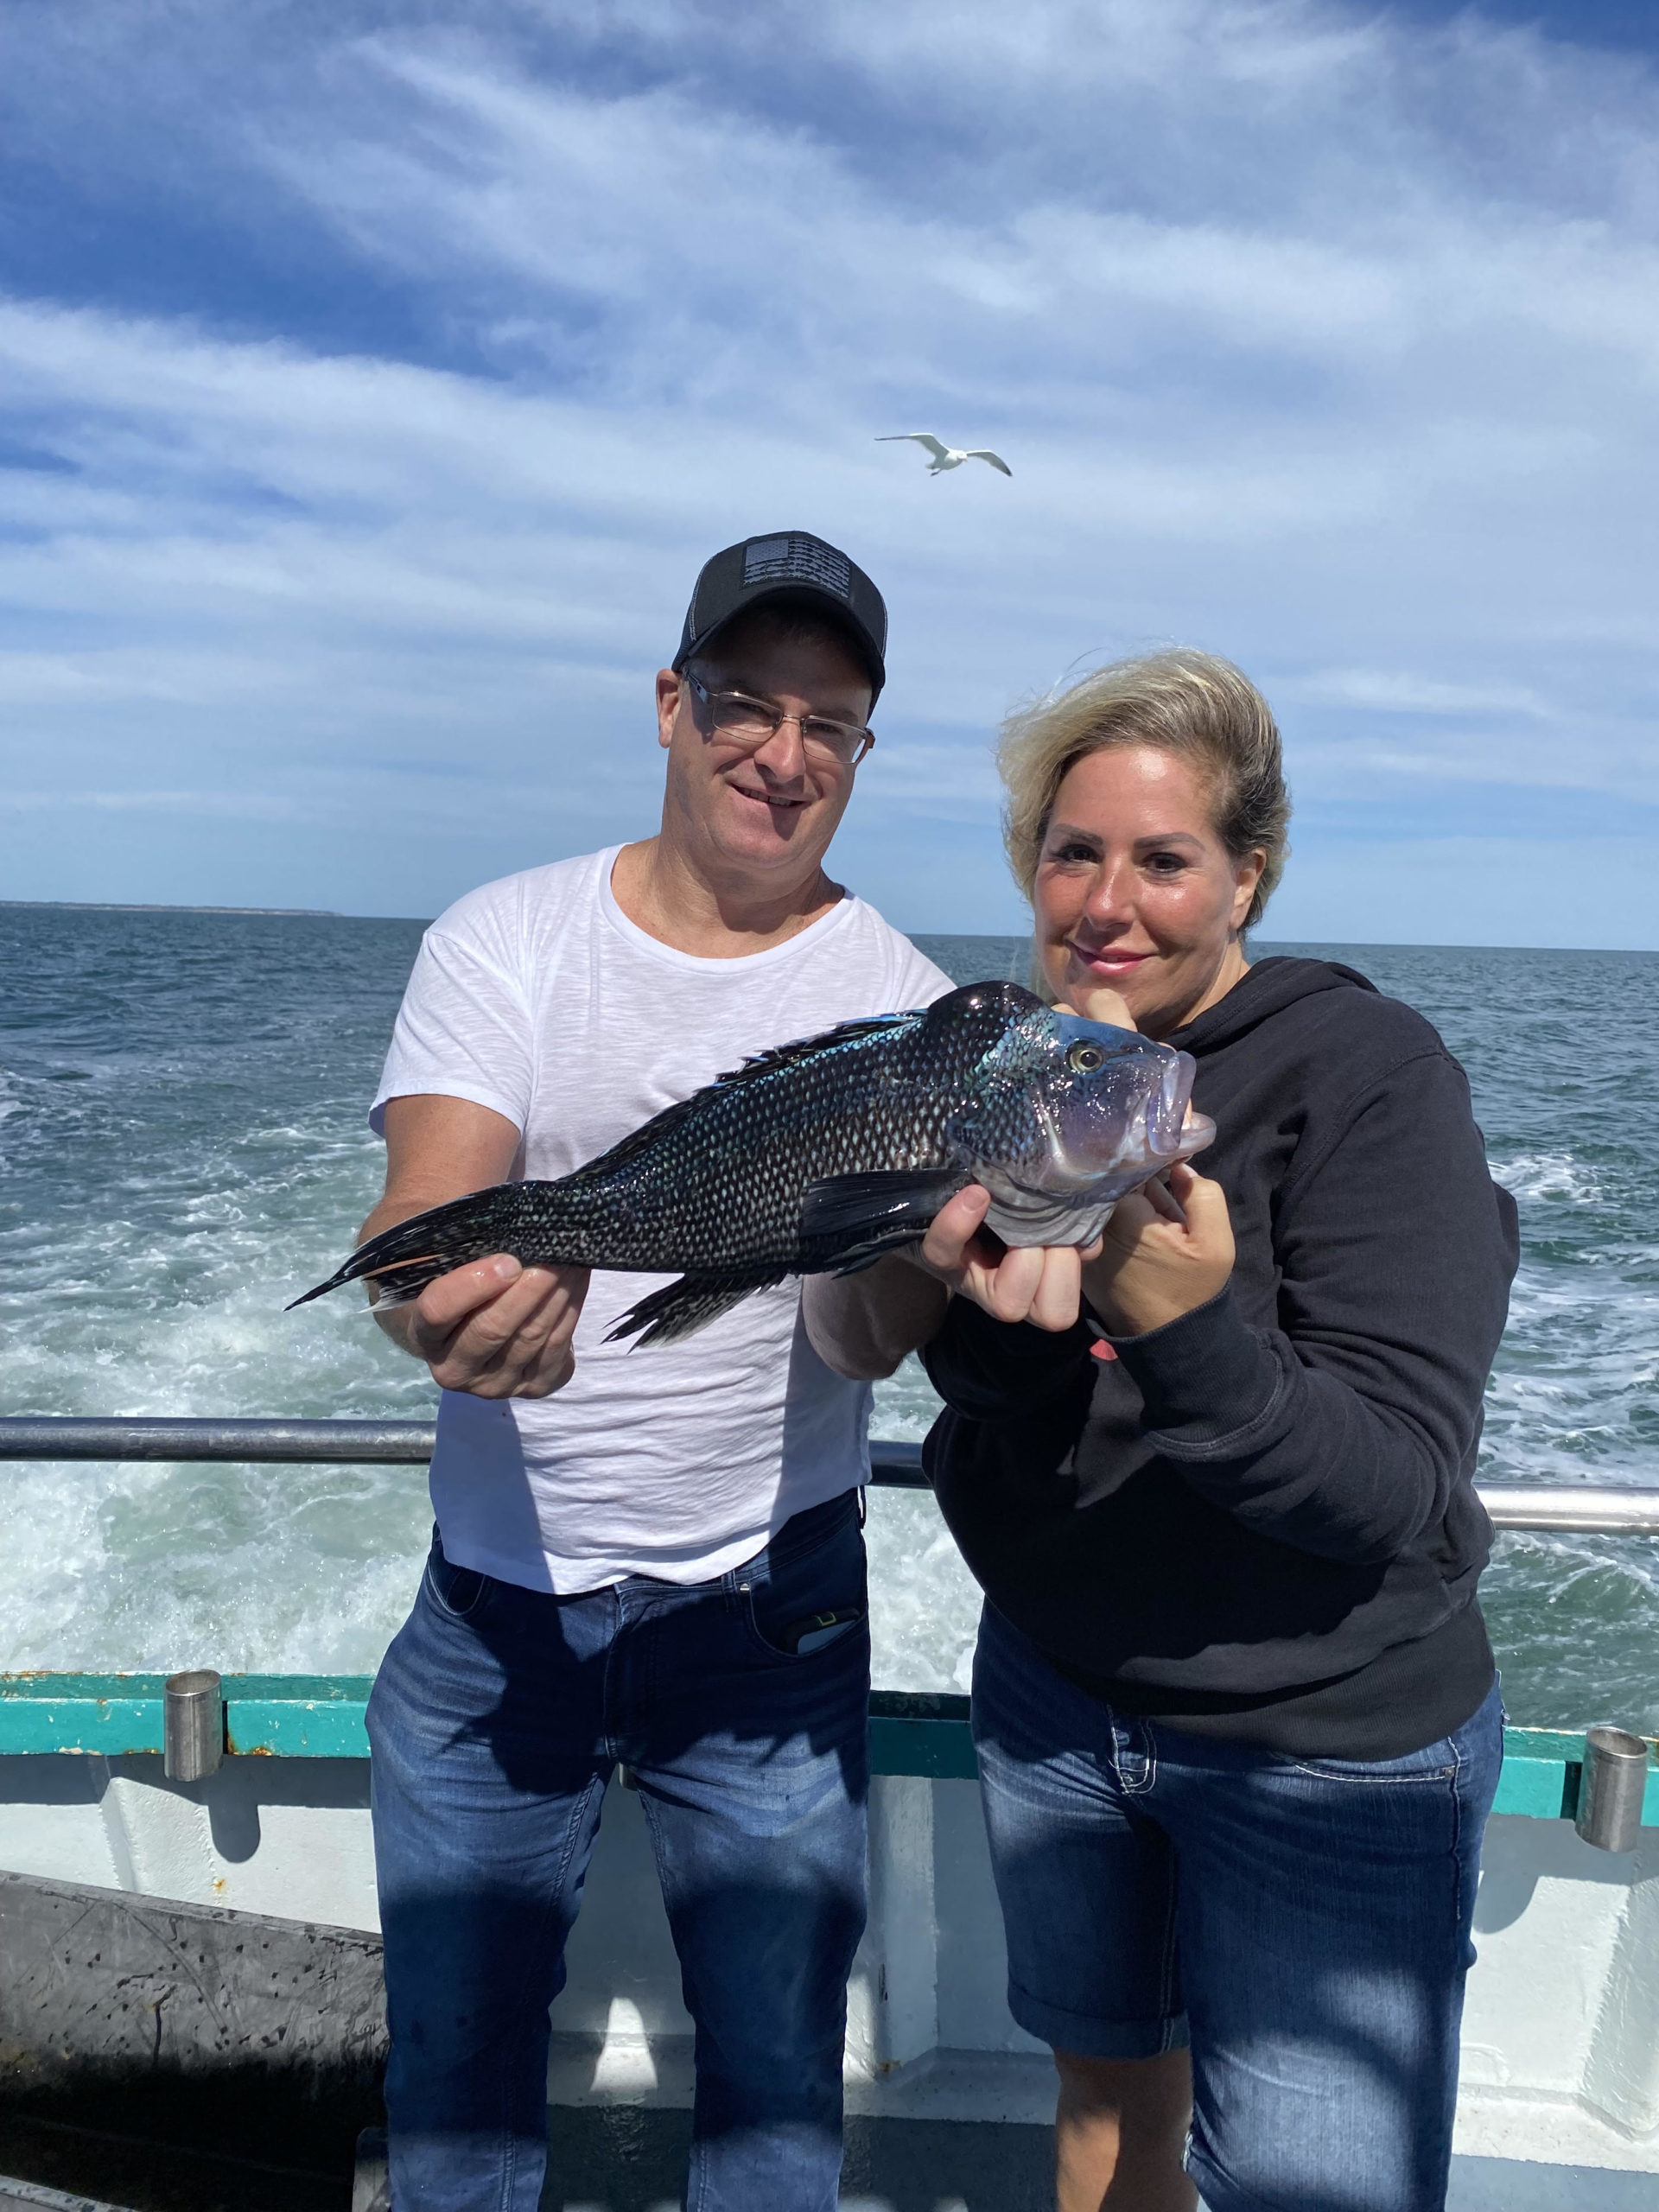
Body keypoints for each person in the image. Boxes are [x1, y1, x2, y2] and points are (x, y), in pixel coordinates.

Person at [803, 650, 1519, 2212]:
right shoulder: (1004, 1072)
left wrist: (1189, 1326)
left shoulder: (1369, 1077)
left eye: (1164, 859)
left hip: (1325, 1742)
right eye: (1073, 853)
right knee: (1102, 2107)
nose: (1108, 902)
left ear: (1246, 878)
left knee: (1305, 2183)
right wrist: (909, 1265)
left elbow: (1394, 1486)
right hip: (1059, 1697)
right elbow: (909, 1360)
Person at [359, 531, 952, 2212]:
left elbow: (856, 1339)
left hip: (769, 1622)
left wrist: (922, 1246)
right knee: (455, 2085)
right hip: (496, 1621)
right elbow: (426, 1211)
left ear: (858, 753)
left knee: (776, 2087)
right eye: (748, 704)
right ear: (672, 701)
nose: (784, 752)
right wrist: (445, 1304)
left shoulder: (905, 1006)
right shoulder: (508, 936)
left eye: (830, 723)